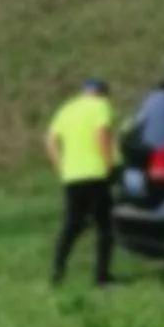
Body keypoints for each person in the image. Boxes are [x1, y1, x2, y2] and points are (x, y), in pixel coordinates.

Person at [46, 74, 119, 286]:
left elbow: (50, 139)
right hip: (96, 173)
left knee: (71, 225)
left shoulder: (67, 109)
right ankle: (102, 276)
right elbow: (102, 134)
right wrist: (109, 164)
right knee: (105, 226)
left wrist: (60, 165)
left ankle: (57, 271)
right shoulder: (101, 106)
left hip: (72, 176)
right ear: (103, 92)